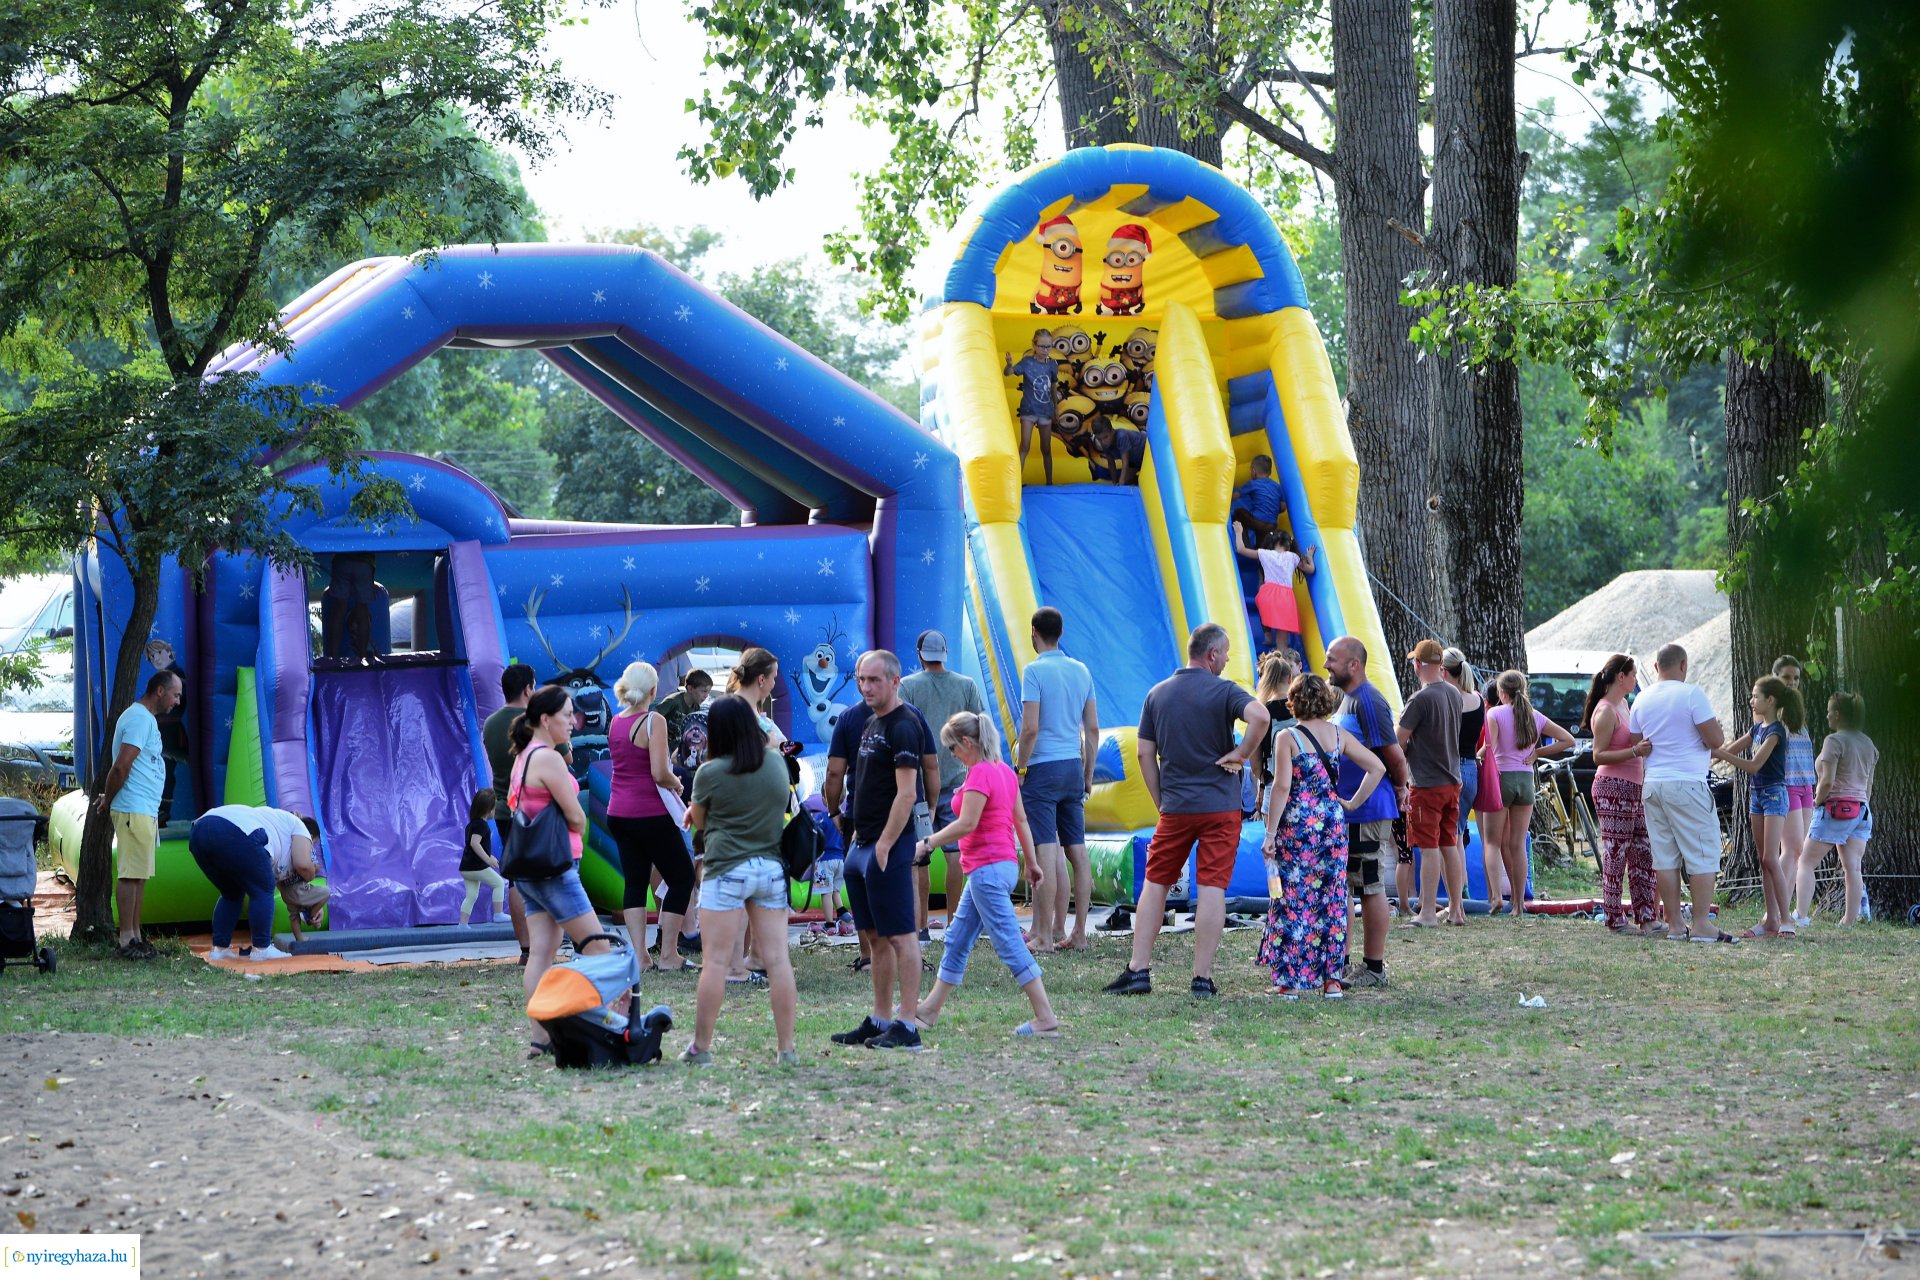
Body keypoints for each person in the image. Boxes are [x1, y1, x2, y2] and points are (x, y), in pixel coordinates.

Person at [1104, 624, 1269, 998]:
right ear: (1212, 655)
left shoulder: (1157, 694)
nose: (1227, 660)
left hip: (1176, 806)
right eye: (1225, 654)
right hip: (1221, 808)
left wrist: (1160, 799)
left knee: (1156, 882)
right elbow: (1260, 716)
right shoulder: (1225, 691)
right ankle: (1201, 979)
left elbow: (1145, 753)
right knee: (1212, 887)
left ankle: (1138, 970)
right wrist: (1242, 755)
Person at [910, 711, 1061, 1038]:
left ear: (967, 742)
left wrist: (928, 842)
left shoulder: (979, 773)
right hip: (999, 867)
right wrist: (1031, 863)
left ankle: (1045, 1017)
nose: (951, 755)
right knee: (957, 939)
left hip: (987, 870)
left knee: (1008, 942)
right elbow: (1020, 820)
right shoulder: (1005, 771)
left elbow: (968, 823)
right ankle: (929, 1010)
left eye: (953, 748)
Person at [679, 695, 800, 1066]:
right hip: (769, 869)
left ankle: (701, 1047)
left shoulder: (711, 772)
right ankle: (786, 1050)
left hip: (726, 868)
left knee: (715, 962)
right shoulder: (776, 765)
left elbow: (699, 822)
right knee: (778, 960)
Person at [830, 651, 935, 1050]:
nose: (867, 687)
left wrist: (887, 844)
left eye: (875, 680)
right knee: (874, 937)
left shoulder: (905, 725)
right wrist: (855, 834)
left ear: (895, 680)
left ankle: (908, 1025)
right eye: (861, 679)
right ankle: (880, 1018)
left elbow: (908, 794)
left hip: (886, 847)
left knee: (902, 936)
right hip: (862, 843)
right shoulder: (869, 721)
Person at [1259, 673, 1385, 997]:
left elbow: (1282, 786)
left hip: (1298, 827)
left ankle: (1289, 981)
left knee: (1291, 898)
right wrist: (1352, 803)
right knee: (1331, 899)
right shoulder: (1339, 734)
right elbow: (1377, 767)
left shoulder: (1287, 737)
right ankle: (1331, 981)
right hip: (1332, 824)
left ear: (1294, 701)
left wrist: (1270, 833)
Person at [508, 685, 615, 1057]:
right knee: (599, 947)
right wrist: (577, 820)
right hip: (557, 868)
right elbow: (575, 814)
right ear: (544, 719)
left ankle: (540, 1036)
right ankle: (610, 1026)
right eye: (567, 715)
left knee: (542, 952)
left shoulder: (524, 756)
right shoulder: (548, 759)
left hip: (531, 871)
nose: (574, 722)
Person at [823, 692, 940, 975]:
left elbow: (834, 773)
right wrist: (930, 807)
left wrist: (834, 811)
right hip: (910, 808)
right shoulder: (913, 715)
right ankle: (910, 953)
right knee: (908, 878)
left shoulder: (848, 718)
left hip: (862, 812)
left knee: (861, 879)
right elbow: (931, 764)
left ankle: (868, 957)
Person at [1628, 644, 1733, 943]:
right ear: (1683, 665)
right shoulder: (1692, 695)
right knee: (1703, 852)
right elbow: (1715, 740)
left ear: (1656, 665)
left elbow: (1639, 741)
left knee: (1665, 856)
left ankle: (1674, 924)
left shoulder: (1642, 699)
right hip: (1687, 782)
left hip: (1654, 784)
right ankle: (1701, 924)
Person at [1323, 636, 1407, 987]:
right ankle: (1341, 962)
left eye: (1332, 659)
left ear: (1353, 665)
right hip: (1349, 809)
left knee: (1369, 885)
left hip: (1369, 810)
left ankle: (1374, 968)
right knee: (1344, 885)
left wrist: (1403, 788)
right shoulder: (1348, 700)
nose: (1326, 664)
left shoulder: (1369, 701)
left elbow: (1393, 754)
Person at [1014, 607, 1099, 953]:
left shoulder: (1034, 671)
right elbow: (1091, 729)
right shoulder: (1081, 670)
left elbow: (1030, 728)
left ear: (1034, 632)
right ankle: (1075, 931)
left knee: (1045, 850)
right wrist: (1088, 774)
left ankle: (1045, 936)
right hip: (1071, 766)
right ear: (1060, 633)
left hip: (1043, 767)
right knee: (1076, 851)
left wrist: (1020, 769)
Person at [607, 661, 697, 972]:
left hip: (618, 812)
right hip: (650, 814)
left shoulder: (616, 722)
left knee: (635, 882)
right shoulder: (653, 721)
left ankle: (641, 958)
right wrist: (678, 782)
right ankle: (670, 955)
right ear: (654, 690)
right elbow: (659, 773)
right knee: (682, 878)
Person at [900, 630, 987, 939]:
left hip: (920, 787)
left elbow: (902, 729)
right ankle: (954, 923)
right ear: (946, 653)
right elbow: (981, 726)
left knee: (919, 857)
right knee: (955, 855)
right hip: (958, 782)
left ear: (920, 654)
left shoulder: (908, 687)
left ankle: (920, 927)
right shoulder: (966, 685)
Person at [94, 669, 182, 959]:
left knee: (140, 874)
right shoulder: (137, 718)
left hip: (143, 808)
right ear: (160, 691)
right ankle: (126, 939)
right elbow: (121, 766)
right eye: (175, 694)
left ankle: (136, 935)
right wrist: (109, 799)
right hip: (133, 807)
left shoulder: (146, 721)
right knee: (131, 874)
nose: (177, 701)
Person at [484, 663, 563, 966]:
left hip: (504, 809)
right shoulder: (535, 723)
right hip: (536, 809)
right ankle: (547, 946)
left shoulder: (490, 723)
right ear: (529, 689)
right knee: (546, 875)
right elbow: (564, 755)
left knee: (516, 878)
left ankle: (527, 948)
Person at [1713, 675, 1803, 938]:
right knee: (1764, 861)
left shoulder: (1775, 732)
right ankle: (1770, 921)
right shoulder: (1757, 728)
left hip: (1775, 795)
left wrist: (1720, 754)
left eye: (1756, 696)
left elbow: (1753, 765)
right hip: (1756, 795)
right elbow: (1730, 749)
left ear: (1770, 700)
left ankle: (1786, 920)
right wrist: (1711, 751)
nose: (1752, 701)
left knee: (1769, 858)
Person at [1484, 669, 1576, 919]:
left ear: (1502, 693)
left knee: (1492, 842)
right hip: (1525, 780)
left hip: (1502, 779)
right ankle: (1518, 903)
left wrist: (1475, 757)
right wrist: (1537, 754)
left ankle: (1495, 896)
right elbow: (1569, 741)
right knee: (1518, 844)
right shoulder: (1535, 716)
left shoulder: (1494, 713)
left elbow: (1489, 748)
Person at [1581, 655, 1659, 934]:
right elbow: (1598, 755)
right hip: (1613, 787)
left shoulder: (1624, 704)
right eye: (1634, 674)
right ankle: (1614, 918)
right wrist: (1635, 752)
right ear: (1621, 677)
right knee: (1616, 853)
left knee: (1643, 852)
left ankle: (1647, 915)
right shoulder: (1605, 712)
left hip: (1635, 788)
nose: (1637, 679)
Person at [188, 804, 318, 961]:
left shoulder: (277, 829)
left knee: (231, 894)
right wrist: (312, 873)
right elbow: (303, 865)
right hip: (235, 830)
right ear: (310, 837)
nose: (310, 849)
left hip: (199, 831)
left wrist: (312, 903)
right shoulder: (299, 827)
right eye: (312, 845)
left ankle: (220, 949)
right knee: (263, 889)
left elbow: (286, 888)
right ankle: (261, 948)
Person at [1399, 640, 1465, 928]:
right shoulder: (1454, 693)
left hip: (1426, 783)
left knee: (1427, 848)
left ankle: (1427, 912)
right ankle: (1456, 909)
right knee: (1449, 844)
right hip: (1452, 781)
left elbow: (1398, 740)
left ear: (1418, 665)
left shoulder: (1419, 700)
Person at [1801, 691, 1877, 927]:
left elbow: (1827, 781)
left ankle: (1800, 915)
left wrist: (1817, 802)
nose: (1826, 716)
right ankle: (1849, 921)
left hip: (1835, 808)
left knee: (1805, 862)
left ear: (1837, 715)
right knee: (1852, 867)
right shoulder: (1868, 744)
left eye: (1828, 711)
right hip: (1862, 811)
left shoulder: (1833, 741)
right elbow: (1869, 784)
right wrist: (1862, 803)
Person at [1772, 655, 1820, 928]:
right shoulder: (1772, 711)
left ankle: (1783, 909)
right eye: (1786, 677)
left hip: (1805, 784)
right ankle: (1776, 911)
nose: (1792, 682)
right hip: (1786, 784)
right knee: (1789, 849)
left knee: (1798, 850)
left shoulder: (1798, 713)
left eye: (1796, 678)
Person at [1232, 528, 1316, 657]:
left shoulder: (1264, 553)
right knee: (1282, 639)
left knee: (1265, 611)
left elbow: (1241, 549)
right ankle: (1280, 656)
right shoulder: (1293, 557)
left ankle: (1267, 634)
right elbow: (1310, 569)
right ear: (1289, 545)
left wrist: (1239, 532)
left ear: (1271, 542)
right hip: (1285, 597)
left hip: (1267, 594)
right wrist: (1309, 556)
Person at [1440, 649, 1488, 865]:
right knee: (1458, 833)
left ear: (1444, 671)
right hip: (1470, 770)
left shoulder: (1447, 700)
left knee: (1449, 839)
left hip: (1449, 769)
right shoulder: (1478, 699)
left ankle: (1459, 891)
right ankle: (1463, 888)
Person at [1005, 330, 1061, 484]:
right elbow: (1008, 372)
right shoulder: (1027, 362)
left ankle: (1049, 483)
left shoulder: (1052, 364)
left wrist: (1055, 409)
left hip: (1045, 411)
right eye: (1042, 347)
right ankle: (1015, 483)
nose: (1046, 350)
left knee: (1046, 449)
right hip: (1029, 410)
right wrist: (1009, 365)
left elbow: (1053, 387)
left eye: (1049, 347)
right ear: (1034, 345)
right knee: (1025, 446)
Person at [1248, 651, 1299, 820]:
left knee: (1273, 844)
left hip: (1274, 788)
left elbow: (1255, 764)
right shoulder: (1304, 708)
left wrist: (1262, 784)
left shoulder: (1260, 713)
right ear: (1289, 678)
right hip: (1305, 787)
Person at [459, 790, 509, 926]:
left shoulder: (472, 824)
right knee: (499, 883)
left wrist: (489, 854)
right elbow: (474, 843)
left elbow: (474, 845)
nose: (495, 811)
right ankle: (498, 914)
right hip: (476, 867)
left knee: (471, 896)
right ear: (488, 809)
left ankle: (462, 925)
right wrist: (488, 859)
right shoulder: (481, 825)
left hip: (466, 868)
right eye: (494, 808)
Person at [656, 668, 714, 756]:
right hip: (664, 747)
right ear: (690, 688)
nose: (706, 696)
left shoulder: (696, 707)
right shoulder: (674, 701)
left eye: (708, 692)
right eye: (703, 691)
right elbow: (652, 715)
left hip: (679, 748)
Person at [1232, 454, 1288, 543]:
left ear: (1254, 471)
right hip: (1272, 525)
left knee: (1238, 512)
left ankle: (1244, 543)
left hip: (1257, 521)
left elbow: (1236, 496)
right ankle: (1257, 551)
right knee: (1261, 542)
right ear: (1270, 472)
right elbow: (1283, 507)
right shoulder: (1277, 487)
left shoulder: (1252, 484)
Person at [1090, 417, 1147, 486]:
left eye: (1106, 437)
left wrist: (1121, 483)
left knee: (1123, 481)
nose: (1103, 442)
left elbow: (1125, 461)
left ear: (1112, 431)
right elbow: (1111, 463)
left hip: (1146, 453)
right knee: (1126, 481)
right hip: (1135, 461)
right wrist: (1114, 482)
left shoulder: (1121, 436)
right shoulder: (1105, 444)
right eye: (1099, 439)